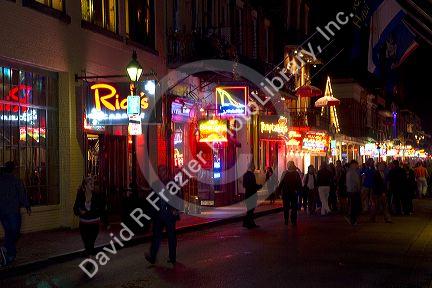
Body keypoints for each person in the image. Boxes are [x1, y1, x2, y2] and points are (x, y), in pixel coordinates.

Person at [146, 166, 180, 264]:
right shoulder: (157, 184)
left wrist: (175, 209)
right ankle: (152, 256)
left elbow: (177, 197)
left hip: (169, 214)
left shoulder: (172, 183)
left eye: (163, 170)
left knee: (171, 236)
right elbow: (152, 199)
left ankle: (172, 257)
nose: (161, 173)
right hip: (159, 214)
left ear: (166, 171)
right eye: (160, 171)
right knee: (156, 236)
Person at [0, 161, 31, 266]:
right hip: (13, 211)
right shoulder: (16, 181)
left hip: (2, 211)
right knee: (14, 232)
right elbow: (22, 194)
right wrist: (27, 205)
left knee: (8, 232)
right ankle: (6, 249)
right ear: (13, 169)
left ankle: (9, 255)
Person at [73, 176, 107, 257]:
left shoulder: (97, 195)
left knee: (90, 243)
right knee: (87, 243)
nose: (93, 185)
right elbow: (75, 209)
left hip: (94, 224)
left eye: (93, 183)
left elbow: (102, 209)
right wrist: (80, 212)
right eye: (90, 183)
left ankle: (89, 259)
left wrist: (106, 222)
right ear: (85, 185)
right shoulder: (80, 195)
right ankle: (90, 256)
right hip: (83, 224)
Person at [279, 161, 302, 225]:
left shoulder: (287, 173)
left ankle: (288, 220)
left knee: (287, 207)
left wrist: (279, 191)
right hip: (291, 192)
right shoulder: (295, 173)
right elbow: (299, 183)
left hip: (288, 192)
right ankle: (292, 220)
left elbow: (281, 183)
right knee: (293, 207)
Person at [242, 163, 262, 229]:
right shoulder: (252, 175)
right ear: (252, 168)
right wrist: (259, 186)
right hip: (252, 194)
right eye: (254, 167)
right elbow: (253, 185)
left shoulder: (245, 175)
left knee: (249, 209)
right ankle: (249, 223)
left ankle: (248, 223)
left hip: (247, 194)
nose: (254, 169)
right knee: (251, 210)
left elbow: (244, 185)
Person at [346, 160, 362, 225]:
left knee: (354, 206)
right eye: (356, 165)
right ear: (353, 165)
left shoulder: (352, 172)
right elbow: (354, 183)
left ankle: (353, 219)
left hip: (352, 191)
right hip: (353, 191)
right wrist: (357, 188)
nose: (357, 166)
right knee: (354, 206)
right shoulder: (351, 172)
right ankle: (353, 219)